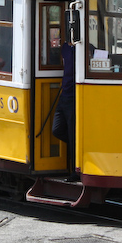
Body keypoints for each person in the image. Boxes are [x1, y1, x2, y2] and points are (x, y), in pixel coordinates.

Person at [52, 36, 77, 179]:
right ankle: (80, 147)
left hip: (75, 96)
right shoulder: (65, 48)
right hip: (64, 95)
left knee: (73, 134)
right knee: (57, 129)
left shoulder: (86, 49)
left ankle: (75, 170)